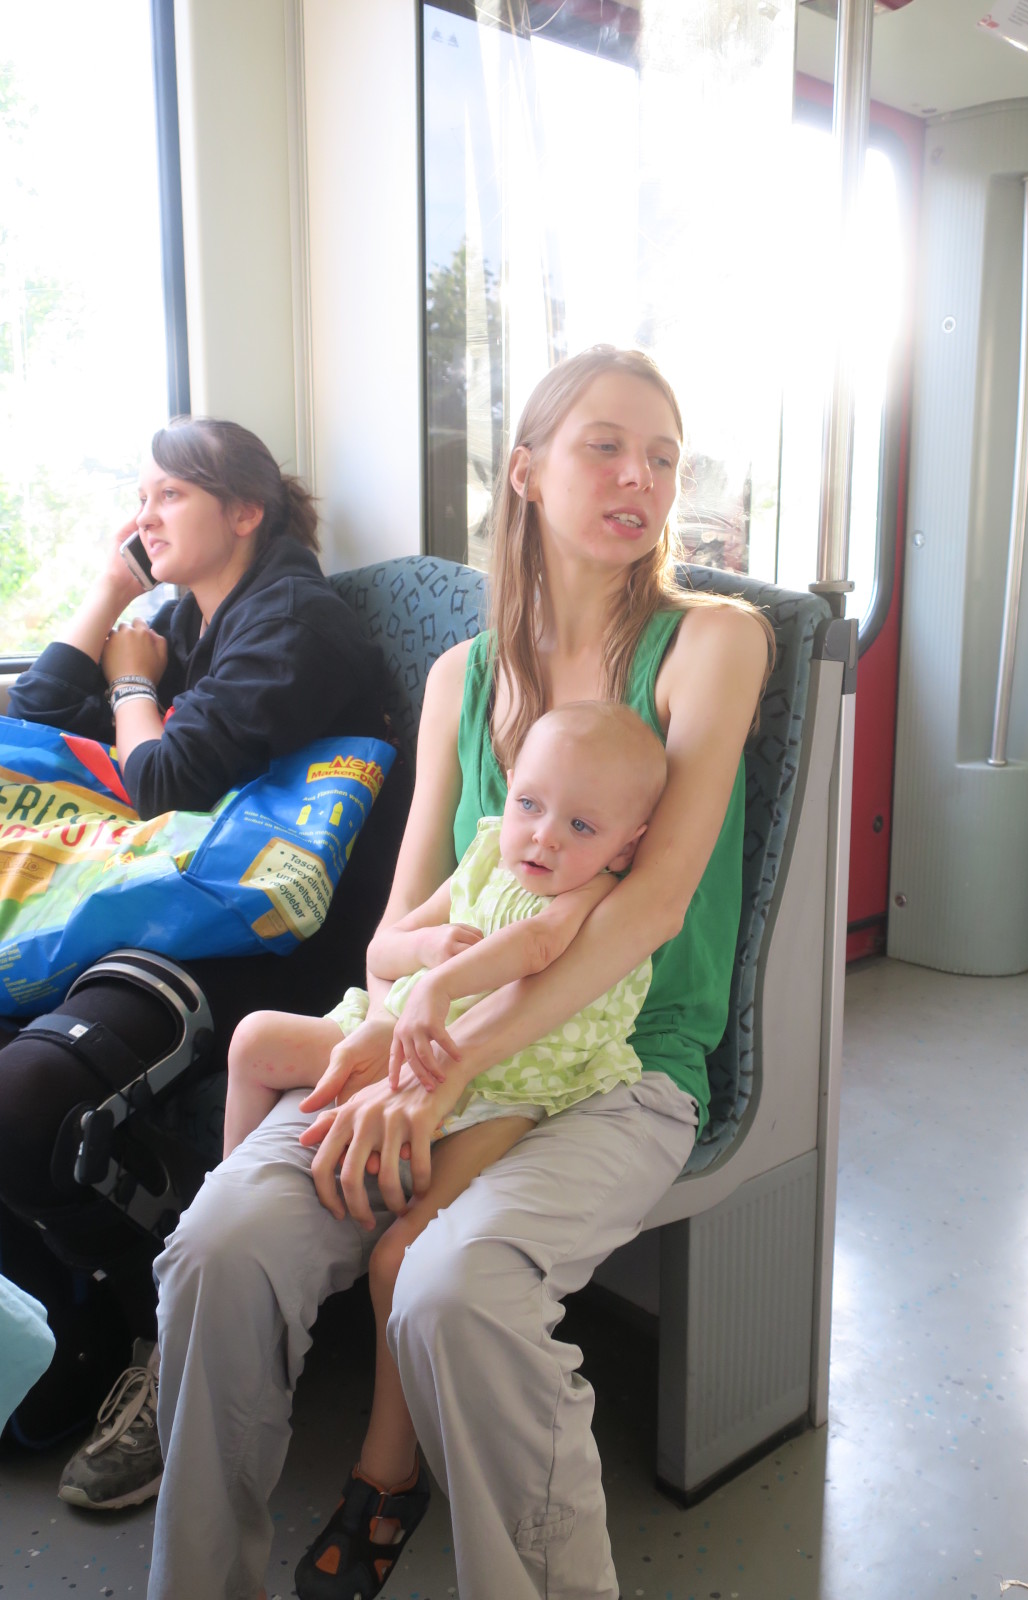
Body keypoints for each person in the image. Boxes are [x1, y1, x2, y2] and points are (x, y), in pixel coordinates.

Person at [150, 346, 774, 1600]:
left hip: (617, 1064)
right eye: (607, 447)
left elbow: (649, 907)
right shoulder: (460, 679)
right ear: (526, 473)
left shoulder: (713, 642)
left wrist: (444, 1063)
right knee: (219, 1243)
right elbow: (392, 938)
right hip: (419, 1041)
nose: (642, 478)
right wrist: (409, 1022)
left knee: (454, 1289)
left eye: (662, 457)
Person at [0, 418, 402, 1506]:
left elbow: (165, 779)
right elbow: (33, 729)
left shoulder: (296, 621)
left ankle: (162, 1332)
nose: (145, 516)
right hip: (163, 912)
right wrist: (109, 591)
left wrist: (134, 684)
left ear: (245, 511)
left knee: (25, 1103)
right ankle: (71, 1323)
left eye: (167, 496)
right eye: (139, 499)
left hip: (270, 946)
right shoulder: (182, 618)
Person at [222, 700, 667, 1599]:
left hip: (513, 1079)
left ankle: (390, 1463)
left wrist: (440, 984)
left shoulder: (593, 891)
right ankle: (244, 1200)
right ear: (511, 791)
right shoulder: (490, 846)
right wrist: (424, 949)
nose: (544, 837)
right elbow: (387, 946)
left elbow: (537, 944)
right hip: (413, 1041)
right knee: (254, 1042)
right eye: (532, 804)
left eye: (581, 826)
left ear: (628, 844)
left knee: (402, 1256)